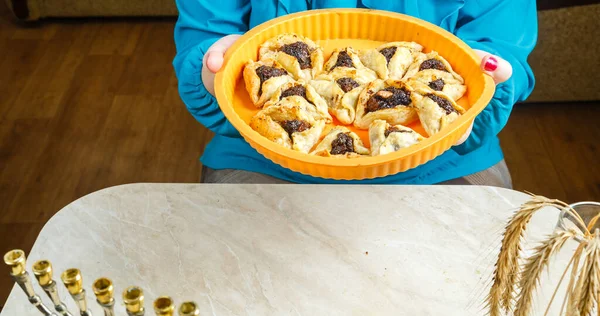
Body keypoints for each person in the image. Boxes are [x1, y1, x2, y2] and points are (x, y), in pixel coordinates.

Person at [173, 1, 536, 188]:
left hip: (447, 163)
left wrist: (481, 86)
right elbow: (206, 36)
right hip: (261, 156)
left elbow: (501, 49)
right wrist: (214, 68)